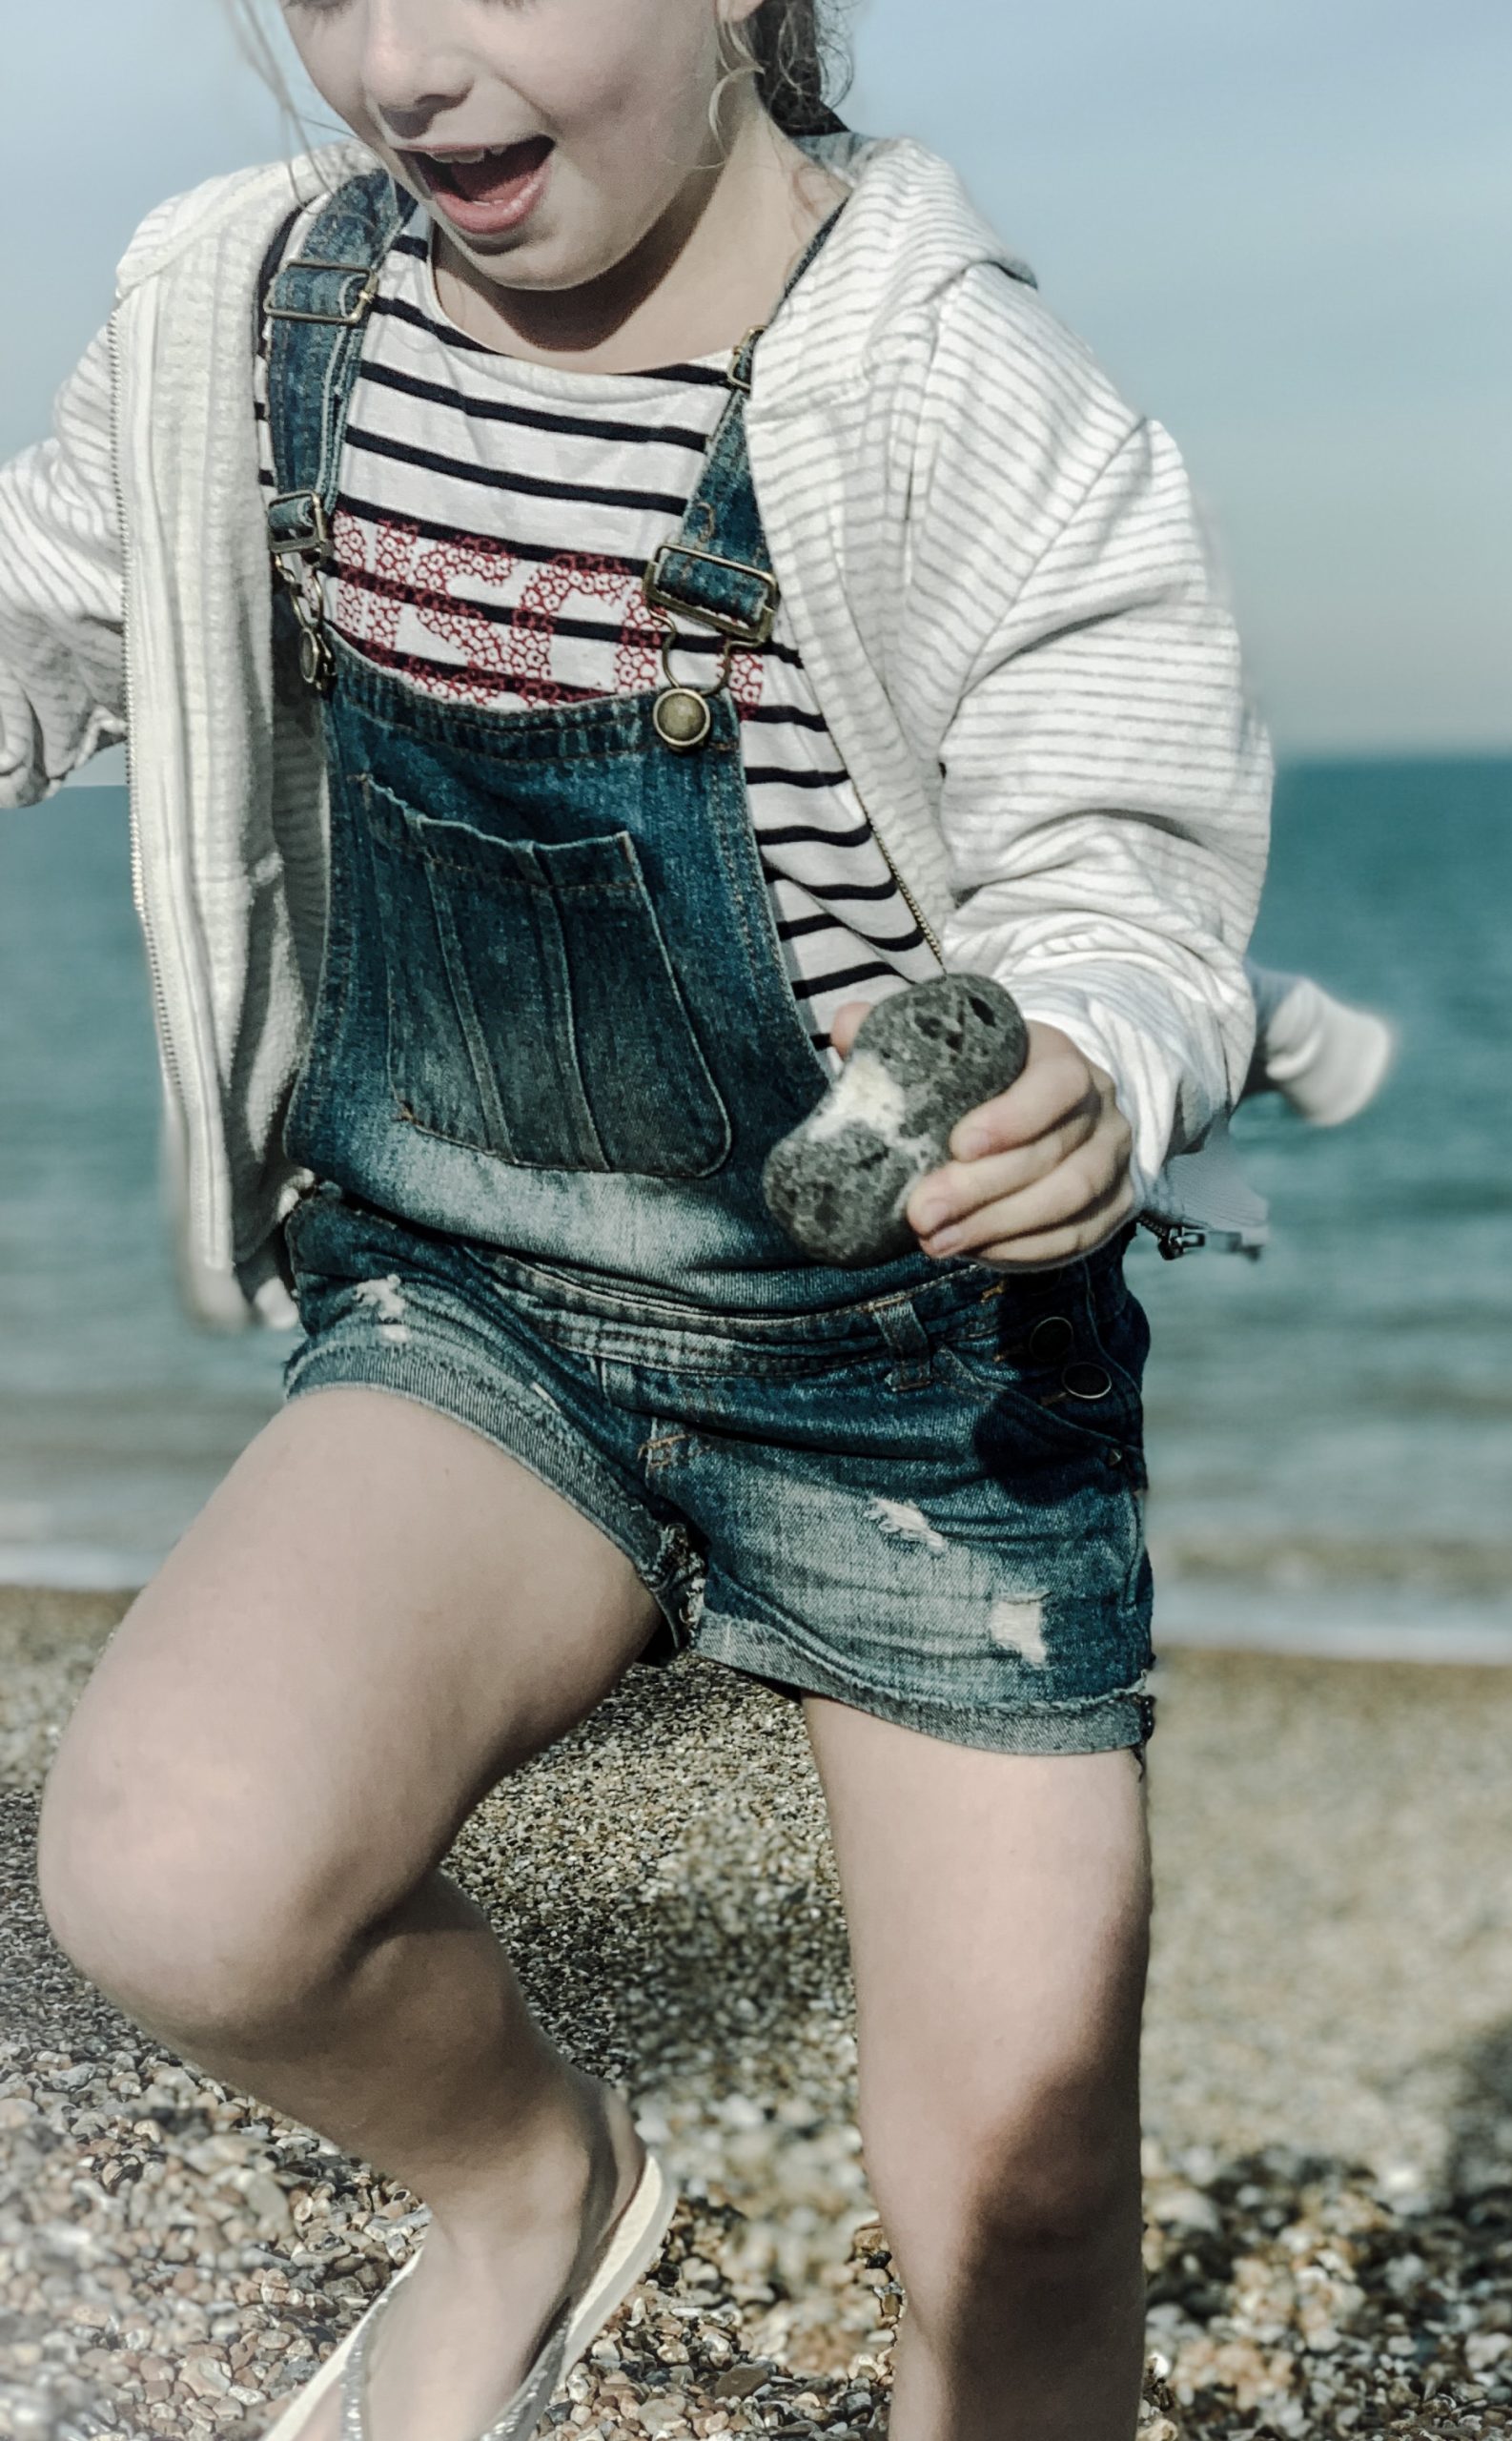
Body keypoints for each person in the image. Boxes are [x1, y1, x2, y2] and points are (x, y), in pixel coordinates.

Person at [0, 5, 1303, 2435]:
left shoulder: (945, 383)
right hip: (481, 1297)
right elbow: (54, 612)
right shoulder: (252, 317)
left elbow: (1118, 859)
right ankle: (533, 2189)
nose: (396, 64)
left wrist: (1092, 1051)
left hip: (918, 1381)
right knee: (178, 1874)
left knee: (1018, 2200)